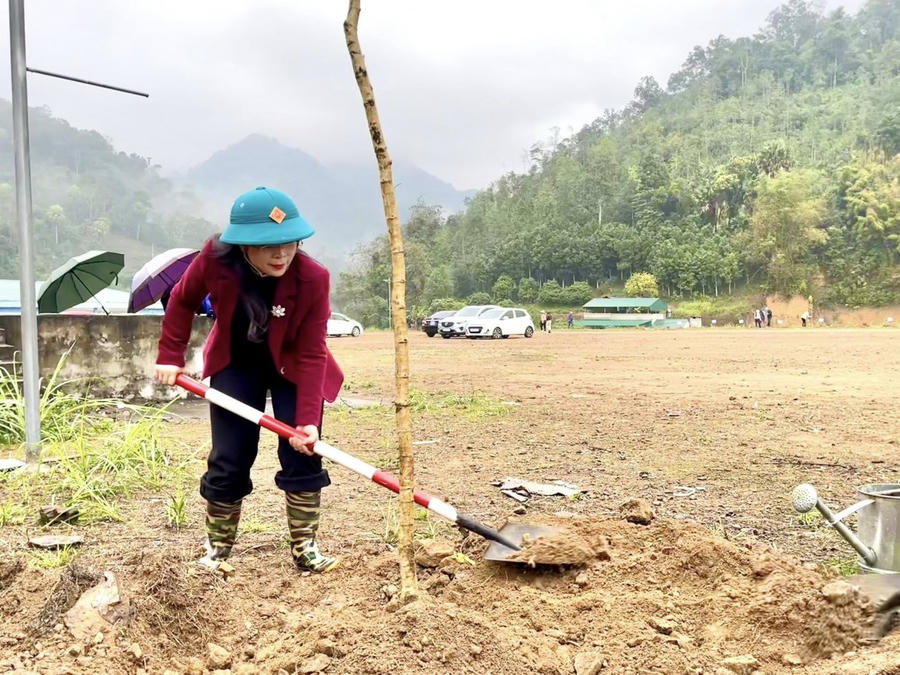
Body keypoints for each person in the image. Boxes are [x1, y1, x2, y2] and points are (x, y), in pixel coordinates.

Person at [154, 186, 343, 573]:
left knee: (303, 452)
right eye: (269, 245)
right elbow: (183, 299)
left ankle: (305, 549)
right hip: (236, 363)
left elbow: (311, 352)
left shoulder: (313, 278)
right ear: (243, 245)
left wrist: (307, 419)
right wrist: (171, 357)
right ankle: (217, 551)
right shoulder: (216, 259)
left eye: (289, 242)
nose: (282, 254)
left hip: (294, 366)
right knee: (230, 456)